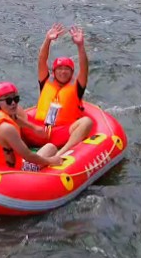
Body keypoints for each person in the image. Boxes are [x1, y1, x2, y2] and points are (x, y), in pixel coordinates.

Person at [26, 23, 94, 158]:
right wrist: (48, 40)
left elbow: (84, 67)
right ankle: (10, 149)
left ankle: (60, 155)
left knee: (87, 122)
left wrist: (80, 45)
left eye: (67, 69)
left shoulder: (77, 87)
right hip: (38, 130)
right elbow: (41, 60)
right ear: (54, 72)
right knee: (14, 112)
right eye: (60, 69)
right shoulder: (45, 82)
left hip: (61, 134)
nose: (63, 72)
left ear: (72, 73)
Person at [0, 82, 62, 171]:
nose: (13, 103)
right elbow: (28, 156)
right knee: (50, 147)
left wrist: (33, 127)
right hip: (10, 173)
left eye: (16, 99)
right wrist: (51, 160)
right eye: (8, 101)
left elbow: (15, 118)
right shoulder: (7, 129)